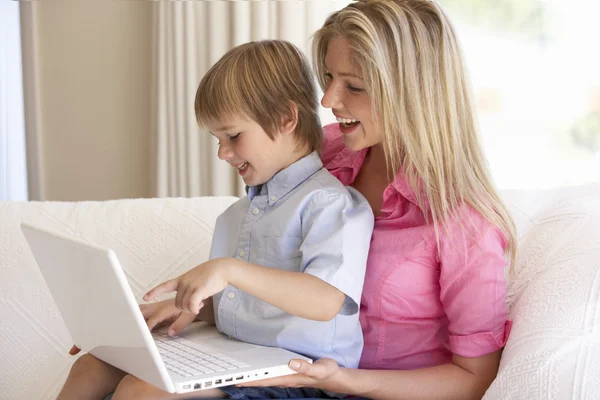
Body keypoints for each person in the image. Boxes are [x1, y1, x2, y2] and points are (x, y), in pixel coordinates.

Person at [56, 40, 374, 400]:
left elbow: (325, 300)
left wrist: (229, 270)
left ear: (287, 119)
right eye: (217, 139)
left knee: (142, 391)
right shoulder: (237, 216)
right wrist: (187, 306)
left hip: (301, 379)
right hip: (239, 358)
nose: (223, 152)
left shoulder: (331, 204)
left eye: (233, 135)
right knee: (91, 366)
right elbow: (251, 305)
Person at [239, 1, 517, 399]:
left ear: (415, 92)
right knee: (137, 380)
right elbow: (261, 245)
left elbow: (475, 378)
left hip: (362, 390)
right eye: (330, 77)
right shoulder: (324, 156)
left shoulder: (465, 223)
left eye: (354, 86)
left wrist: (344, 380)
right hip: (279, 370)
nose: (329, 100)